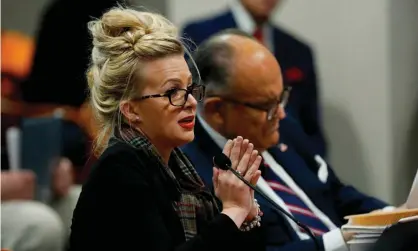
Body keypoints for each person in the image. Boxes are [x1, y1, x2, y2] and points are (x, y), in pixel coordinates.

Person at [181, 29, 404, 251]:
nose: (281, 114)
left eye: (282, 98)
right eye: (268, 106)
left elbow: (335, 192)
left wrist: (398, 216)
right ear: (217, 109)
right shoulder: (191, 175)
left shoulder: (283, 128)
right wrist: (339, 242)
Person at [69, 7, 265, 251]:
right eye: (173, 92)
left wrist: (246, 213)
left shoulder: (176, 167)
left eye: (190, 88)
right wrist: (232, 211)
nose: (192, 102)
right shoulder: (118, 170)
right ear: (131, 110)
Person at [181, 0, 327, 157]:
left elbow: (311, 128)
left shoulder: (298, 50)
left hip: (291, 161)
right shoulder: (200, 34)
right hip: (224, 158)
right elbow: (189, 107)